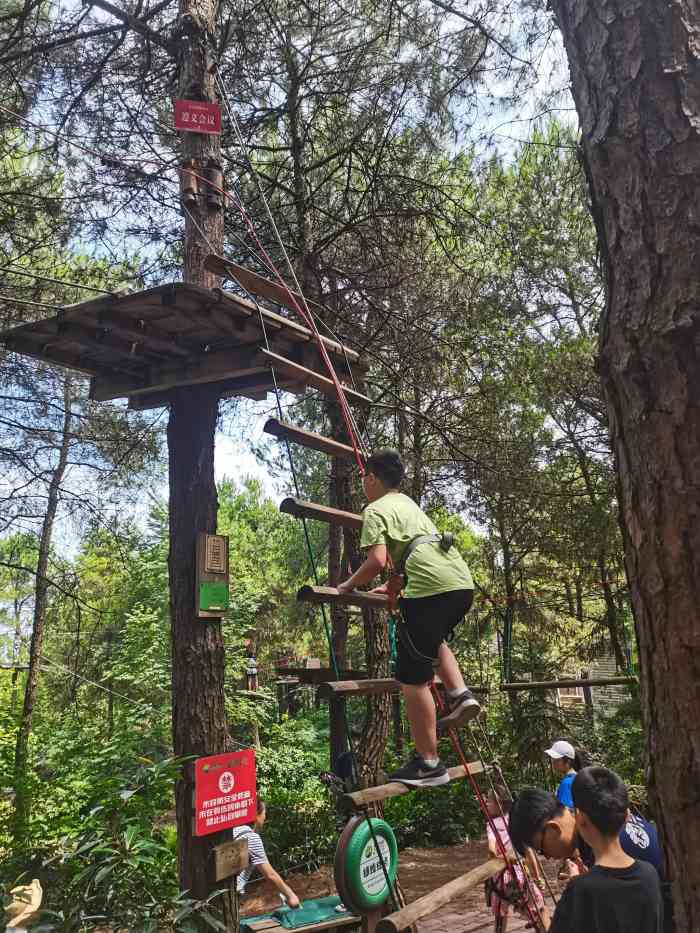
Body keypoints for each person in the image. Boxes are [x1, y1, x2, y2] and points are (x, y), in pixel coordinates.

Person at [336, 448, 478, 787]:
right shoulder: (409, 505)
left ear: (371, 478)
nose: (363, 486)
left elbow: (376, 560)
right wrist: (389, 590)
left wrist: (347, 586)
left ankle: (429, 763)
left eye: (364, 479)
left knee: (412, 680)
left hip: (429, 590)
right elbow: (407, 562)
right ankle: (460, 693)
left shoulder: (375, 509)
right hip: (459, 583)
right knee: (432, 639)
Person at [542, 767, 663, 932]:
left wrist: (542, 914)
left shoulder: (579, 891)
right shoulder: (650, 874)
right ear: (627, 816)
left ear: (580, 818)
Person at [484, 785, 548, 932]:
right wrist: (537, 877)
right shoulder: (514, 821)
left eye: (489, 801)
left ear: (499, 803)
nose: (486, 803)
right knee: (538, 910)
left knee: (501, 917)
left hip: (502, 877)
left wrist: (496, 859)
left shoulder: (492, 825)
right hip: (521, 873)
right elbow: (529, 851)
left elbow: (491, 849)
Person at [232, 799, 301, 908]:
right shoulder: (251, 837)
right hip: (229, 895)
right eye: (264, 814)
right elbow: (270, 875)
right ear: (256, 816)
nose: (265, 818)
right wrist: (290, 895)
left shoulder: (233, 830)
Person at [544, 739, 590, 811]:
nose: (553, 763)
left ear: (567, 762)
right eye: (553, 759)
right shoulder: (578, 779)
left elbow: (564, 813)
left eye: (557, 760)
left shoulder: (567, 783)